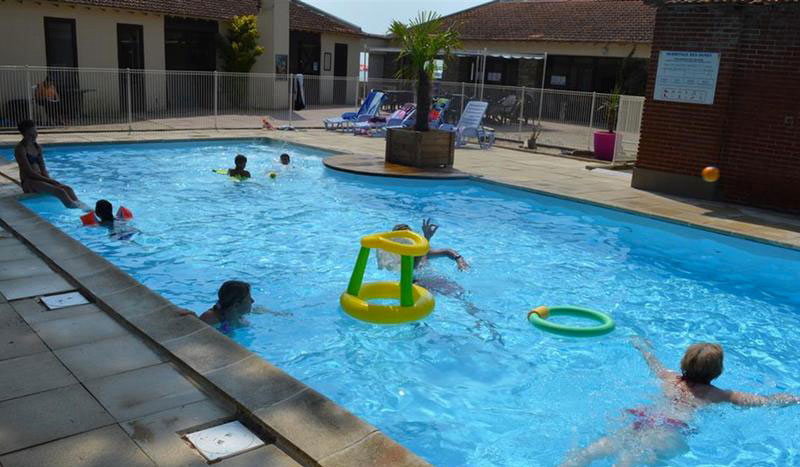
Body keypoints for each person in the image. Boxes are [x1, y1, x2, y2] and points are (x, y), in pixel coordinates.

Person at [560, 339, 800, 467]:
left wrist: (642, 346)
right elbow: (766, 402)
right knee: (629, 462)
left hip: (640, 420)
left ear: (683, 363)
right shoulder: (720, 395)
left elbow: (651, 362)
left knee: (587, 453)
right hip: (667, 431)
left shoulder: (668, 379)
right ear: (717, 372)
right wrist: (795, 398)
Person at [14, 120, 84, 208]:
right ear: (23, 134)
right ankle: (79, 212)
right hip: (29, 182)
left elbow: (43, 168)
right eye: (30, 134)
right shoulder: (20, 149)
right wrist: (49, 181)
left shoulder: (37, 147)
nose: (34, 136)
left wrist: (48, 179)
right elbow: (29, 172)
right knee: (60, 192)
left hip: (41, 179)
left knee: (68, 189)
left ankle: (84, 209)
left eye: (35, 132)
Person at [379, 218, 469, 272]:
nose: (405, 240)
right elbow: (413, 268)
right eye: (401, 237)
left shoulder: (423, 251)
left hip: (432, 279)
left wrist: (459, 260)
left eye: (408, 236)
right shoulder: (395, 257)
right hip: (414, 285)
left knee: (460, 292)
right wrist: (426, 239)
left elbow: (447, 251)